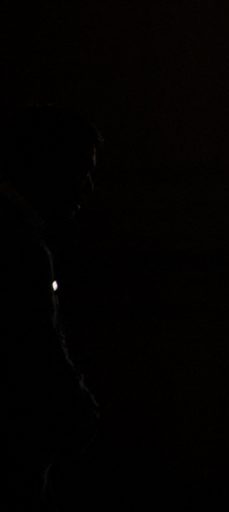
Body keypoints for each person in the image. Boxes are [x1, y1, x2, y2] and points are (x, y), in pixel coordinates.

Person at [0, 105, 100, 511]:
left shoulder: (22, 235)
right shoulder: (21, 245)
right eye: (82, 170)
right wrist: (78, 406)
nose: (87, 187)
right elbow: (37, 345)